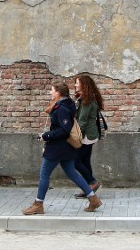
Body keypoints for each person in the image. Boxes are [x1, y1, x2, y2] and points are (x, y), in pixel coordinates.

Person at [23, 81, 103, 214]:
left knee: (44, 174)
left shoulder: (62, 108)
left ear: (58, 93)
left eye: (52, 90)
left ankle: (38, 204)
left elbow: (64, 130)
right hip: (66, 148)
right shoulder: (66, 105)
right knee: (71, 172)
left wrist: (46, 136)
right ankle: (93, 199)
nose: (50, 92)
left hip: (58, 148)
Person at [72, 74, 103, 199]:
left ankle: (92, 182)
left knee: (75, 162)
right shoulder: (85, 98)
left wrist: (76, 137)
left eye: (77, 83)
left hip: (86, 136)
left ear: (83, 85)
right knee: (85, 161)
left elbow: (83, 121)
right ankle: (89, 188)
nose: (75, 85)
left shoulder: (87, 100)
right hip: (89, 134)